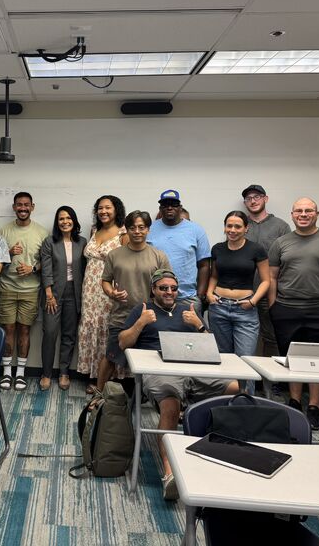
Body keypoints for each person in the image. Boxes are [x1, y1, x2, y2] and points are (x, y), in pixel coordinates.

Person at [113, 269, 238, 500]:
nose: (169, 292)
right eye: (163, 288)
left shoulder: (187, 309)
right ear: (153, 290)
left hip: (193, 368)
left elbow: (213, 348)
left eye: (173, 288)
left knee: (234, 389)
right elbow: (122, 343)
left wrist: (199, 325)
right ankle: (170, 474)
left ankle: (216, 453)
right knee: (170, 405)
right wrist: (140, 323)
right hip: (158, 370)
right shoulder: (142, 309)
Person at [268, 197, 319, 430]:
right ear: (292, 214)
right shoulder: (281, 243)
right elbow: (272, 277)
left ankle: (314, 406)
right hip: (287, 308)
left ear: (317, 214)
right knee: (291, 357)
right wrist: (274, 305)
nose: (303, 214)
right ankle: (294, 401)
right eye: (299, 211)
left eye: (308, 211)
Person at [96, 210, 170, 393]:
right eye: (133, 228)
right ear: (126, 230)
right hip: (121, 315)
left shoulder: (158, 256)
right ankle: (98, 395)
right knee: (111, 357)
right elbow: (105, 281)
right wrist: (112, 293)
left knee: (152, 360)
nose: (137, 231)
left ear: (148, 229)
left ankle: (151, 397)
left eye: (141, 227)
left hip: (150, 318)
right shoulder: (114, 255)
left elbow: (167, 284)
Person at [206, 210, 270, 393]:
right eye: (229, 226)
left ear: (246, 228)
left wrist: (253, 301)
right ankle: (225, 400)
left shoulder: (256, 249)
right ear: (224, 227)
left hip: (245, 309)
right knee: (223, 357)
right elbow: (214, 276)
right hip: (219, 307)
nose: (232, 230)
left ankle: (246, 402)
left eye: (237, 226)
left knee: (246, 359)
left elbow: (266, 280)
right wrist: (209, 293)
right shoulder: (217, 249)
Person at [241, 184, 291, 397]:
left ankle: (273, 382)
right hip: (244, 293)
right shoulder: (241, 224)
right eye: (249, 198)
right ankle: (246, 381)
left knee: (271, 337)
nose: (253, 201)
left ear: (265, 199)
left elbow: (288, 257)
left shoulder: (280, 226)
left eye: (257, 196)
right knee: (245, 339)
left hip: (270, 292)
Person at [0, 192, 49, 392]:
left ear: (32, 207)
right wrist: (8, 253)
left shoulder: (42, 233)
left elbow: (47, 263)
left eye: (26, 205)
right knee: (8, 330)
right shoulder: (3, 231)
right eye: (19, 205)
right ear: (14, 207)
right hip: (7, 288)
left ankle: (20, 373)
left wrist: (32, 268)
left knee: (25, 330)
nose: (23, 208)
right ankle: (7, 372)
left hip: (31, 290)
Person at [76, 195, 128, 394]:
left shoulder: (124, 233)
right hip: (89, 289)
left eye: (108, 207)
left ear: (116, 210)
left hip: (109, 289)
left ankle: (109, 378)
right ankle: (93, 374)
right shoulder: (94, 230)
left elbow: (127, 263)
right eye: (100, 208)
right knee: (91, 327)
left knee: (107, 329)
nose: (103, 211)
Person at [39, 206, 87, 391]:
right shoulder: (49, 242)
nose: (65, 222)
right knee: (50, 333)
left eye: (68, 218)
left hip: (74, 293)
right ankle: (46, 374)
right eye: (61, 219)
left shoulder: (82, 242)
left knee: (69, 334)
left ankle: (64, 373)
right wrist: (49, 294)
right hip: (53, 294)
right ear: (57, 222)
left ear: (74, 220)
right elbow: (46, 269)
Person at [148, 189, 211, 315]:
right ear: (160, 208)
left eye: (174, 204)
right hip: (156, 298)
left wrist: (200, 295)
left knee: (192, 328)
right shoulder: (149, 229)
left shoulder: (196, 230)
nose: (169, 207)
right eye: (165, 205)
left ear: (180, 208)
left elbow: (204, 265)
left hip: (187, 298)